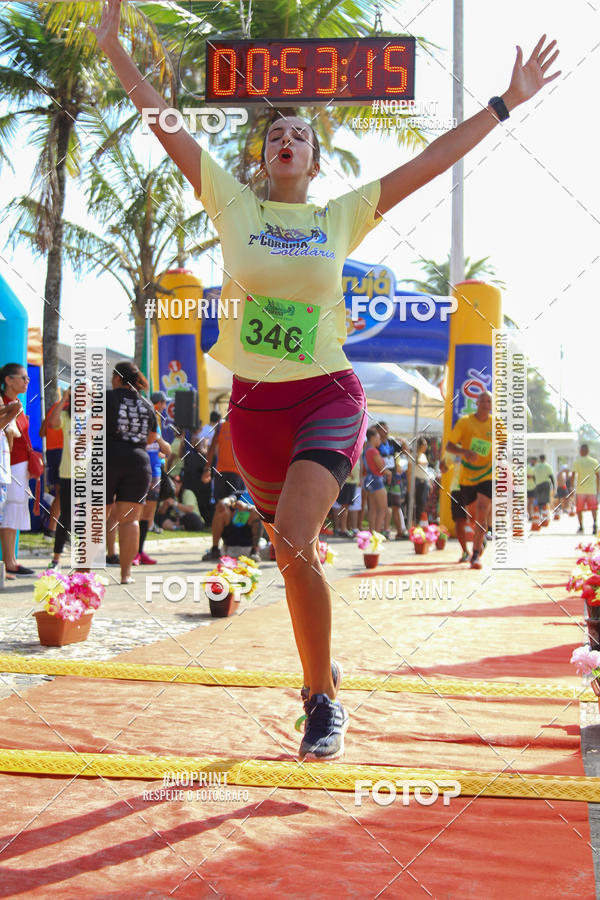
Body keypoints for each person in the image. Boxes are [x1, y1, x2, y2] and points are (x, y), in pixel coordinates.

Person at [94, 2, 560, 758]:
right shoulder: (231, 203)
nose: (286, 139)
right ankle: (325, 674)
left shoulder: (342, 216)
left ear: (314, 161)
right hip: (254, 408)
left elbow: (431, 160)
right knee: (286, 556)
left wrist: (505, 103)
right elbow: (163, 120)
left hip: (326, 394)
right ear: (261, 154)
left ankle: (319, 704)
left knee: (302, 541)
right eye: (276, 133)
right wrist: (115, 49)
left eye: (300, 136)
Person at [105, 361, 157, 584]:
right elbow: (152, 438)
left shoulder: (107, 397)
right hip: (139, 461)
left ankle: (84, 573)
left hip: (108, 458)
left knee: (97, 516)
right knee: (130, 520)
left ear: (117, 378)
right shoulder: (147, 404)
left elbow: (91, 428)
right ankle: (126, 574)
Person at [446, 391, 495, 570]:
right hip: (467, 477)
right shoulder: (465, 422)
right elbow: (449, 446)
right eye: (482, 400)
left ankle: (475, 555)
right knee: (473, 518)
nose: (485, 403)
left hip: (488, 474)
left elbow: (505, 444)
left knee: (484, 508)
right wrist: (465, 452)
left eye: (488, 401)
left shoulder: (496, 424)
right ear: (476, 403)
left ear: (491, 405)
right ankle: (479, 540)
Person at [0, 363, 35, 576]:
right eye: (23, 378)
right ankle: (9, 561)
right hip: (8, 464)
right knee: (9, 510)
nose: (26, 381)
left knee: (15, 510)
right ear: (8, 380)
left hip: (20, 464)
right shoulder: (5, 404)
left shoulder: (17, 403)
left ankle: (11, 559)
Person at [135, 391, 171, 565]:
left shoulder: (156, 424)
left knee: (148, 516)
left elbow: (167, 450)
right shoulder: (137, 425)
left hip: (155, 473)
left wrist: (159, 442)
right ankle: (133, 552)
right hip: (140, 472)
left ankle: (140, 552)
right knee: (136, 514)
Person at [46, 388, 72, 569]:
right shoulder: (66, 415)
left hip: (91, 474)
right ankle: (56, 559)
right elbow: (52, 423)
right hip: (68, 471)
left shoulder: (97, 417)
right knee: (66, 515)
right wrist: (64, 398)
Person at [203, 491, 263, 559]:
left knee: (256, 513)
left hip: (249, 537)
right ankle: (215, 549)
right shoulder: (239, 494)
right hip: (231, 534)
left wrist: (247, 507)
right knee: (221, 511)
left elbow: (263, 511)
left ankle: (254, 551)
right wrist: (225, 502)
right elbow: (230, 499)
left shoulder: (261, 495)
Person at [39, 395, 64, 538]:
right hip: (62, 452)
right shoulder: (67, 407)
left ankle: (53, 528)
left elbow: (41, 433)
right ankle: (53, 529)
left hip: (53, 451)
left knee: (62, 492)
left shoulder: (54, 407)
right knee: (64, 492)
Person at [362, 427, 391, 533]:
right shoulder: (373, 451)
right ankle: (377, 533)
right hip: (376, 480)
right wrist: (390, 473)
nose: (379, 440)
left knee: (372, 508)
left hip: (369, 480)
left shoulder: (366, 450)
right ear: (373, 438)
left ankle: (372, 532)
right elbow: (382, 469)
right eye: (378, 437)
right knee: (383, 508)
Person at [572, 444, 600, 534]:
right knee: (593, 508)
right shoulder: (594, 461)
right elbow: (598, 476)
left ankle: (581, 526)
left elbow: (573, 475)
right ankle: (595, 524)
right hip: (592, 489)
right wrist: (598, 488)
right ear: (588, 451)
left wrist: (572, 487)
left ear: (581, 451)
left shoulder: (577, 462)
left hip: (581, 490)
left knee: (579, 509)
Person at [533, 453, 555, 526]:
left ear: (539, 459)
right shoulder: (547, 466)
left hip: (538, 485)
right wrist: (554, 486)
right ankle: (545, 519)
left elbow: (533, 476)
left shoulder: (536, 466)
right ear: (545, 459)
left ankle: (539, 517)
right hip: (545, 485)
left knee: (539, 502)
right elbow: (551, 476)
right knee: (545, 502)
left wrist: (535, 483)